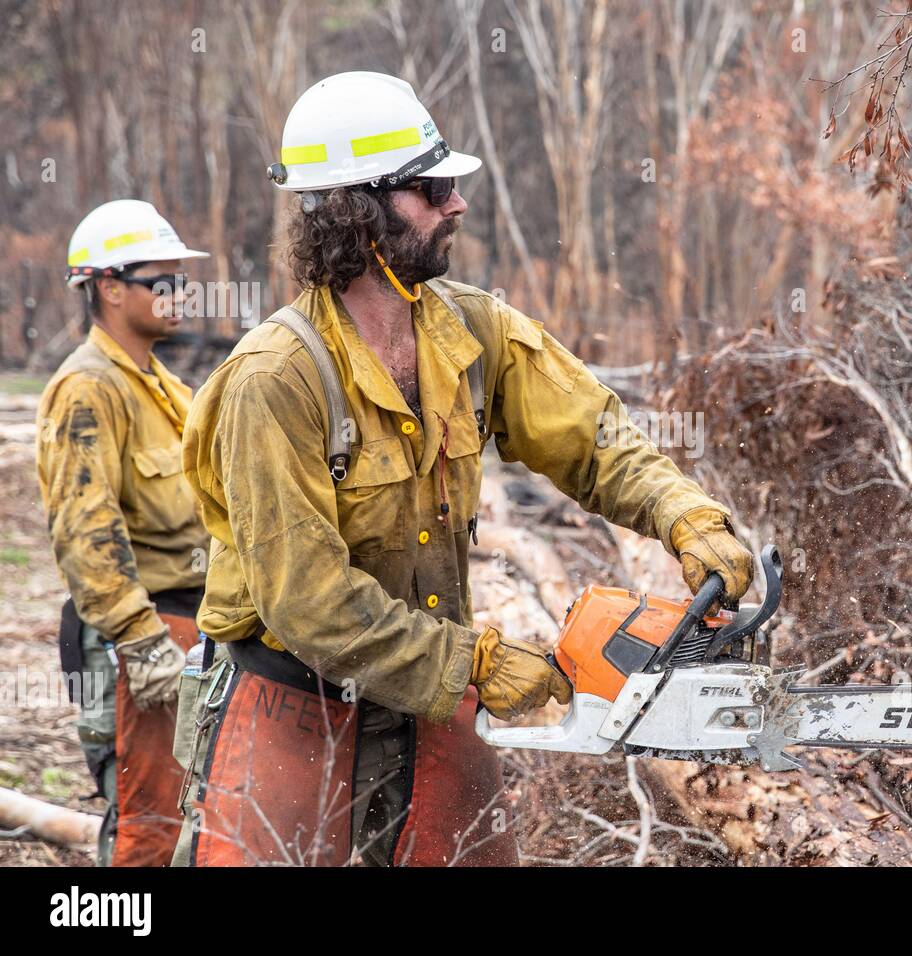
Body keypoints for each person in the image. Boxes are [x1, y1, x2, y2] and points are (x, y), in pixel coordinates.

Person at [180, 71, 753, 867]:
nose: (457, 204)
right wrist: (473, 661)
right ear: (355, 209)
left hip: (435, 694)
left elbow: (590, 434)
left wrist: (684, 515)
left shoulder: (471, 329)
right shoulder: (276, 380)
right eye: (432, 187)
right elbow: (305, 600)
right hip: (294, 702)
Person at [36, 199, 210, 866]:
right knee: (151, 830)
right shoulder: (87, 389)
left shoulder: (163, 386)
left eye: (180, 281)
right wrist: (142, 644)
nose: (177, 295)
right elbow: (87, 536)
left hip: (191, 631)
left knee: (197, 824)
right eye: (160, 282)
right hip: (139, 640)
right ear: (109, 288)